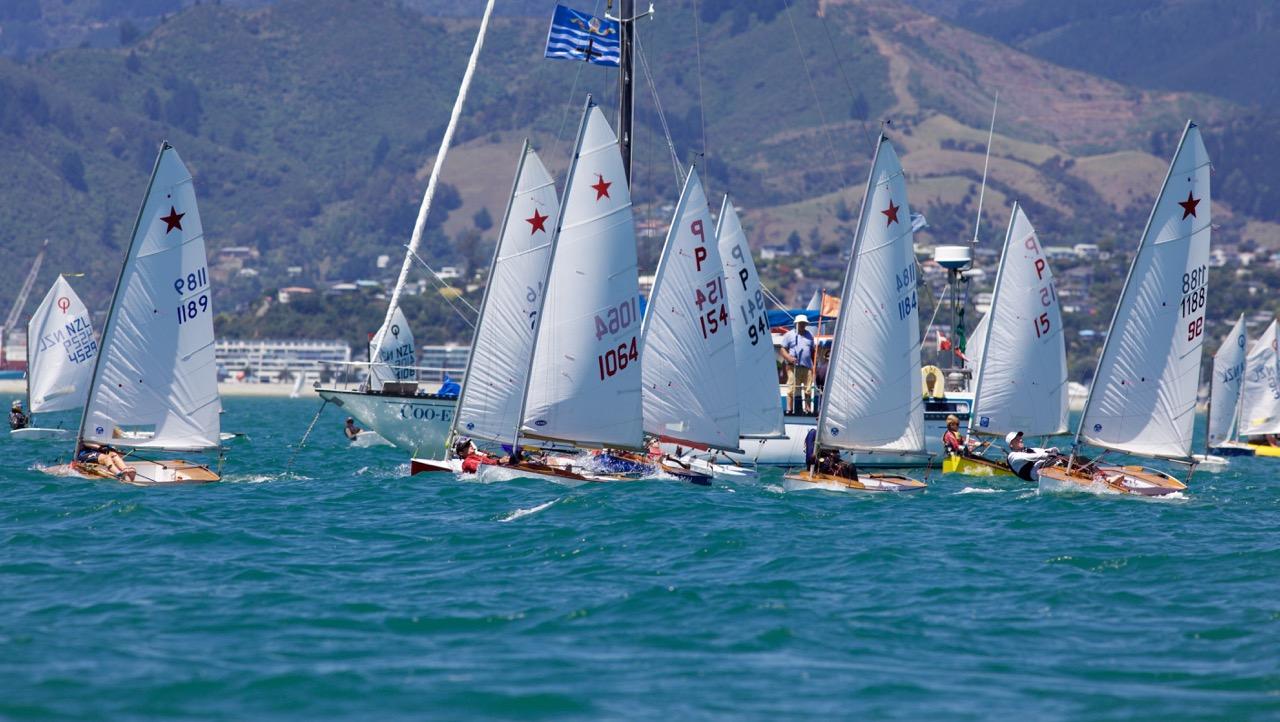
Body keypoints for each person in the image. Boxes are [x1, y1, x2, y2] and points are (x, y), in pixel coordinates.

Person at [781, 315, 816, 414]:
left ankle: (808, 409)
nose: (802, 325)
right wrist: (789, 358)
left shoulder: (809, 335)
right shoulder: (789, 335)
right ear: (796, 324)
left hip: (807, 367)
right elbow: (782, 349)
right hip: (793, 367)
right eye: (800, 323)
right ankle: (789, 409)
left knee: (808, 390)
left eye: (803, 323)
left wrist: (814, 366)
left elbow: (812, 351)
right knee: (791, 389)